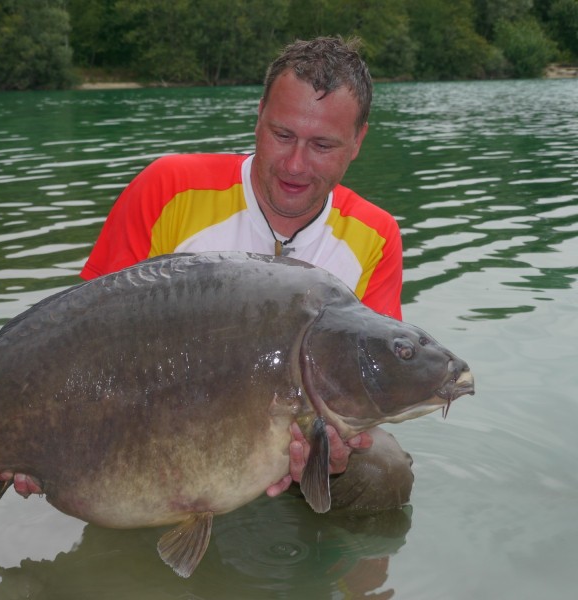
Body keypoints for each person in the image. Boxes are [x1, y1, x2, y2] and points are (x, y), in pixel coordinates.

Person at [79, 36, 413, 511]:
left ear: (358, 140)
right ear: (258, 115)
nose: (296, 165)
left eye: (322, 145)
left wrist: (336, 449)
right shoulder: (167, 188)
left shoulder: (375, 236)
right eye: (282, 135)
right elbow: (78, 339)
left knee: (385, 471)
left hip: (286, 443)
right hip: (153, 430)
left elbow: (363, 392)